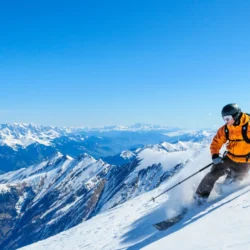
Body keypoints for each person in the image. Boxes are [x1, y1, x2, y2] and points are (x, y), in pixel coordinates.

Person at [194, 103, 250, 205]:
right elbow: (216, 142)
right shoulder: (226, 129)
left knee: (231, 184)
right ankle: (199, 199)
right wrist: (215, 155)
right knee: (212, 174)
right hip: (229, 157)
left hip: (244, 162)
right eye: (224, 119)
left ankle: (219, 198)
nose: (226, 121)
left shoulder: (249, 126)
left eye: (228, 118)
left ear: (236, 115)